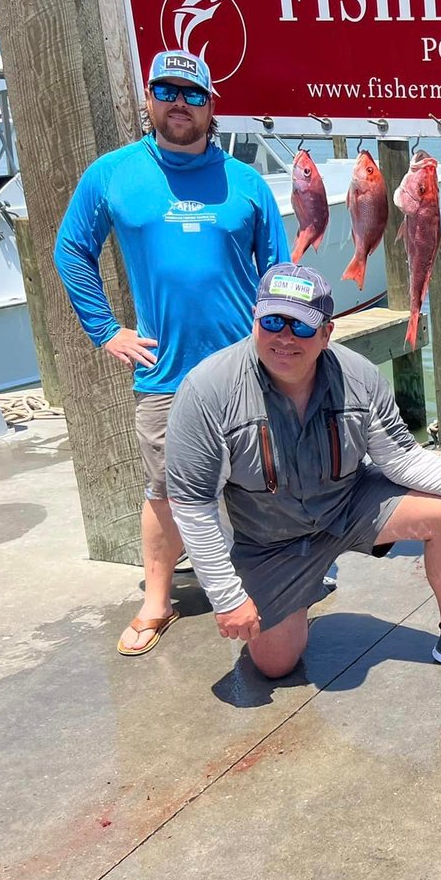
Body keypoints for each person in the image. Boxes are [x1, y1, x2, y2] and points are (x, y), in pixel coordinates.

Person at [164, 264, 441, 680]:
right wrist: (227, 597)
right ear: (255, 321)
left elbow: (402, 459)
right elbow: (194, 508)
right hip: (268, 540)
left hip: (346, 508)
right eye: (272, 322)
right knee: (275, 664)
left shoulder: (359, 377)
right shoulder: (207, 391)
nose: (284, 337)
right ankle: (298, 594)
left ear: (326, 333)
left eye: (301, 327)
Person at [54, 49, 290, 656]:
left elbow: (281, 274)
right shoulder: (112, 173)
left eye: (192, 94)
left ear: (212, 106)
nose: (179, 103)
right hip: (165, 372)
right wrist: (107, 330)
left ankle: (279, 578)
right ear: (149, 100)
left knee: (263, 479)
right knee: (164, 489)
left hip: (249, 369)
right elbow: (70, 250)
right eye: (167, 90)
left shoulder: (248, 183)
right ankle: (157, 600)